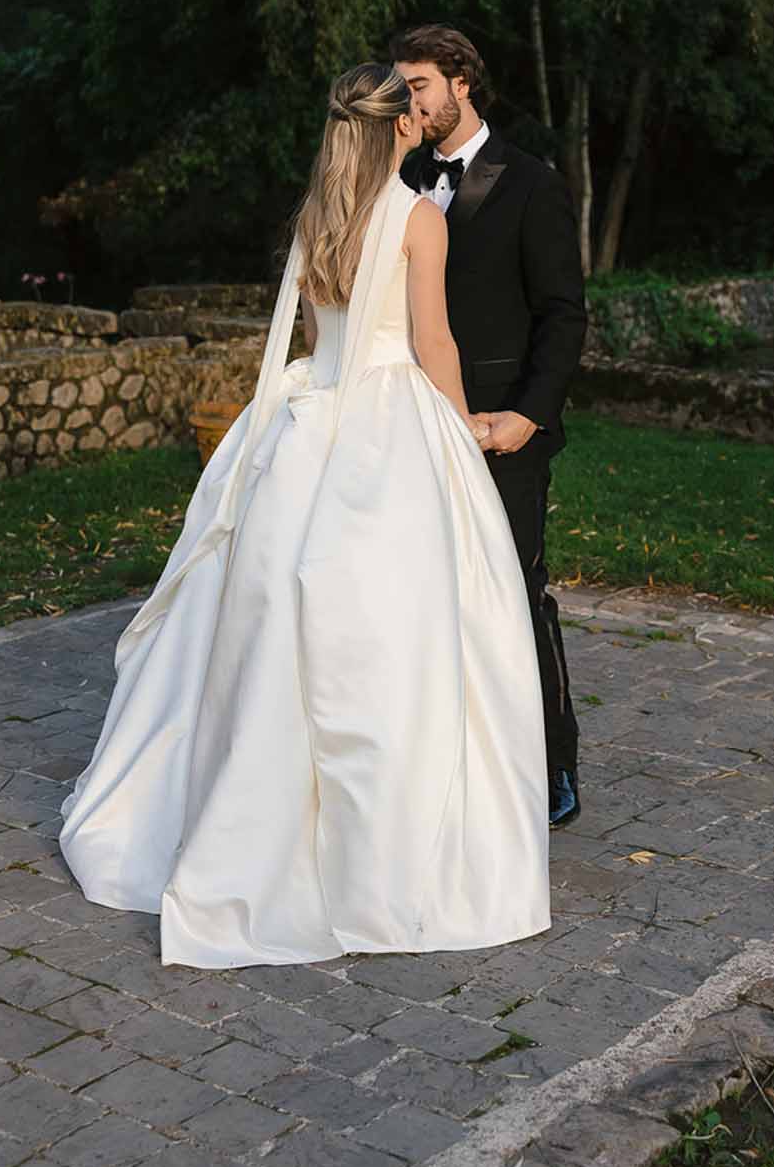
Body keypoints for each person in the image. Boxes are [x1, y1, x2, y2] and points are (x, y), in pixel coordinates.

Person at [59, 62, 550, 969]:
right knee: (400, 627)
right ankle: (386, 843)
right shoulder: (418, 219)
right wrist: (460, 436)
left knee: (276, 614)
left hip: (306, 422)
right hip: (390, 422)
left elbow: (320, 340)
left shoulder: (318, 219)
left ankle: (258, 804)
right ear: (401, 126)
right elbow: (434, 341)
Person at [390, 26, 587, 829]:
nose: (409, 102)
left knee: (516, 594)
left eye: (420, 85)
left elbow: (564, 316)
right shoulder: (395, 178)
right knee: (424, 598)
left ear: (463, 82)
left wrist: (528, 418)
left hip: (499, 431)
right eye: (402, 87)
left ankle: (552, 764)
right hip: (407, 426)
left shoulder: (532, 182)